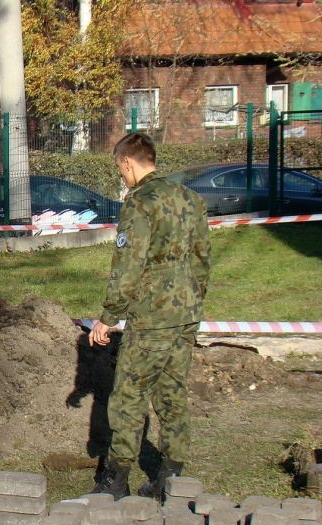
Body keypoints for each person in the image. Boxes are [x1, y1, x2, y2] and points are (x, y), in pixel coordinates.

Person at [88, 132, 211, 501]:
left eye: (119, 169)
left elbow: (129, 264)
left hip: (153, 315)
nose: (121, 176)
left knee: (128, 397)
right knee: (172, 392)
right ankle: (170, 480)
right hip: (186, 310)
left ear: (128, 162)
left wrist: (109, 316)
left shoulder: (139, 203)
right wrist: (193, 299)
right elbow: (202, 259)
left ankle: (115, 480)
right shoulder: (190, 198)